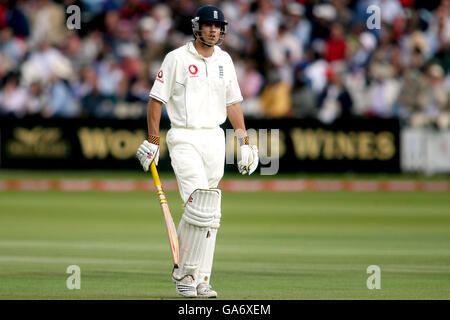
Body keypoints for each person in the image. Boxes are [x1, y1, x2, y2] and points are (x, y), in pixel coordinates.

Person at [136, 5, 259, 298]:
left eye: (217, 27)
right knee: (198, 204)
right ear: (197, 27)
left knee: (211, 213)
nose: (213, 30)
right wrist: (154, 140)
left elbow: (233, 104)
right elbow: (156, 100)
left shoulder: (225, 61)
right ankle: (184, 274)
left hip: (214, 138)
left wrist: (245, 142)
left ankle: (202, 278)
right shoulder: (176, 58)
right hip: (184, 136)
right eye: (208, 26)